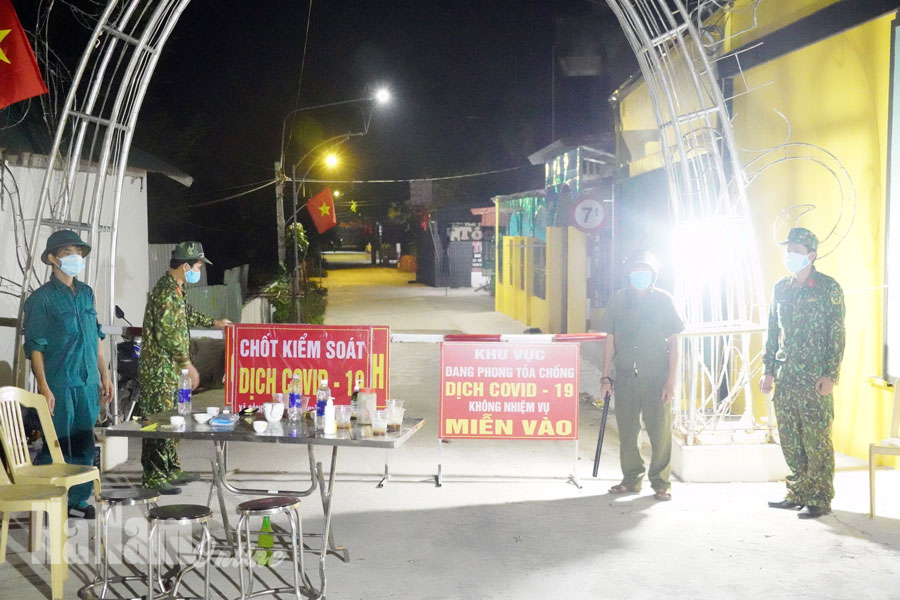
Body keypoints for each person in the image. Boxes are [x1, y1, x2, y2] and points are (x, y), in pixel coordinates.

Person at [23, 230, 113, 519]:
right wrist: (43, 386)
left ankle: (77, 500)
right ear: (52, 258)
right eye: (67, 253)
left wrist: (105, 374)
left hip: (87, 382)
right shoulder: (41, 300)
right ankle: (47, 499)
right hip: (59, 383)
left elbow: (96, 337)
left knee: (84, 443)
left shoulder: (86, 293)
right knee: (57, 443)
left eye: (78, 253)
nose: (75, 258)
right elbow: (35, 347)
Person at [759, 227, 845, 519]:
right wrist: (768, 370)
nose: (790, 255)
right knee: (791, 439)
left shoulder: (828, 288)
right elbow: (773, 332)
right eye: (788, 250)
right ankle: (797, 492)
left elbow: (837, 334)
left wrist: (830, 375)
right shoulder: (780, 289)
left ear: (811, 255)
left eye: (796, 250)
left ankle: (819, 497)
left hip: (814, 379)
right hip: (786, 378)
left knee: (816, 440)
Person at [139, 242, 232, 494]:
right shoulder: (165, 292)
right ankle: (154, 476)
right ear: (185, 266)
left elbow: (186, 314)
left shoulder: (177, 290)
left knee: (175, 419)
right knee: (159, 422)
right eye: (198, 266)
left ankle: (171, 468)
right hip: (160, 371)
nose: (199, 271)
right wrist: (187, 364)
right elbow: (167, 334)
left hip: (172, 371)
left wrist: (214, 322)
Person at [599, 250, 684, 501]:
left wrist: (670, 381)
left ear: (653, 275)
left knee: (660, 432)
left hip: (656, 377)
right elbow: (610, 340)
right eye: (635, 270)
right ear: (628, 273)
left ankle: (661, 482)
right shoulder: (618, 300)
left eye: (644, 271)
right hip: (626, 376)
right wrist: (605, 377)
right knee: (627, 431)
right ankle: (631, 479)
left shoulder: (664, 301)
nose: (639, 275)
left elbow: (674, 343)